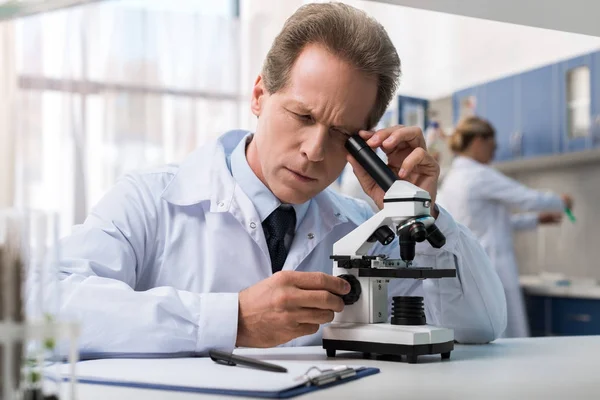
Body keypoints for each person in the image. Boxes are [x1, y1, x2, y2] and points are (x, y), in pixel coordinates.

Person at [53, 3, 506, 357]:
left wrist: (421, 217)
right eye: (302, 115)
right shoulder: (151, 200)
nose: (313, 149)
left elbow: (481, 326)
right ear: (259, 96)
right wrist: (232, 319)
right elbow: (51, 307)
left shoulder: (360, 230)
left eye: (342, 134)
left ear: (365, 142)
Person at [438, 116, 572, 338]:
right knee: (509, 339)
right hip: (494, 266)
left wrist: (536, 220)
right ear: (479, 141)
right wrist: (561, 202)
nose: (494, 152)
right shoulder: (479, 175)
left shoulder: (451, 180)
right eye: (493, 145)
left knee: (487, 339)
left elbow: (490, 223)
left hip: (469, 270)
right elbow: (526, 198)